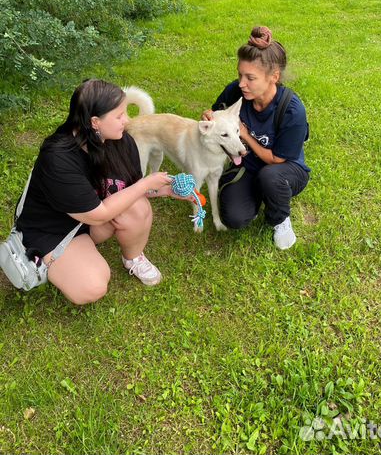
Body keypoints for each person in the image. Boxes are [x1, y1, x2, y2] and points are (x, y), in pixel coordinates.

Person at [16, 79, 191, 305]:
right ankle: (45, 258)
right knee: (93, 286)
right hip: (51, 229)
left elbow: (126, 190)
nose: (127, 120)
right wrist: (146, 184)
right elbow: (98, 214)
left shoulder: (118, 140)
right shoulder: (58, 158)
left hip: (88, 218)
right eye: (119, 115)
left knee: (137, 207)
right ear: (95, 122)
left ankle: (133, 258)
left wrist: (165, 190)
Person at [202, 26, 310, 249]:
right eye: (240, 74)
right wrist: (211, 118)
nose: (242, 83)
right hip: (248, 167)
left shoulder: (291, 109)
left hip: (285, 171)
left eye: (250, 77)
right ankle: (259, 194)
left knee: (270, 177)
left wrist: (245, 135)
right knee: (234, 218)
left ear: (274, 77)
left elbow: (277, 160)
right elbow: (217, 114)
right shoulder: (236, 92)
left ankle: (280, 218)